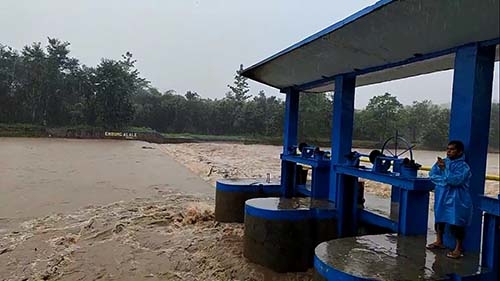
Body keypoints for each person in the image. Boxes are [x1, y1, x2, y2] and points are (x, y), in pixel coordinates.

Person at [426, 140, 473, 259]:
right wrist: (445, 179)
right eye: (448, 149)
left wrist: (445, 172)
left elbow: (455, 181)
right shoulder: (443, 162)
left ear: (460, 151)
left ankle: (458, 248)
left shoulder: (463, 167)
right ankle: (439, 241)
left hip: (457, 199)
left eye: (452, 149)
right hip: (442, 197)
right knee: (439, 219)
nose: (448, 151)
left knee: (456, 223)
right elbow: (432, 175)